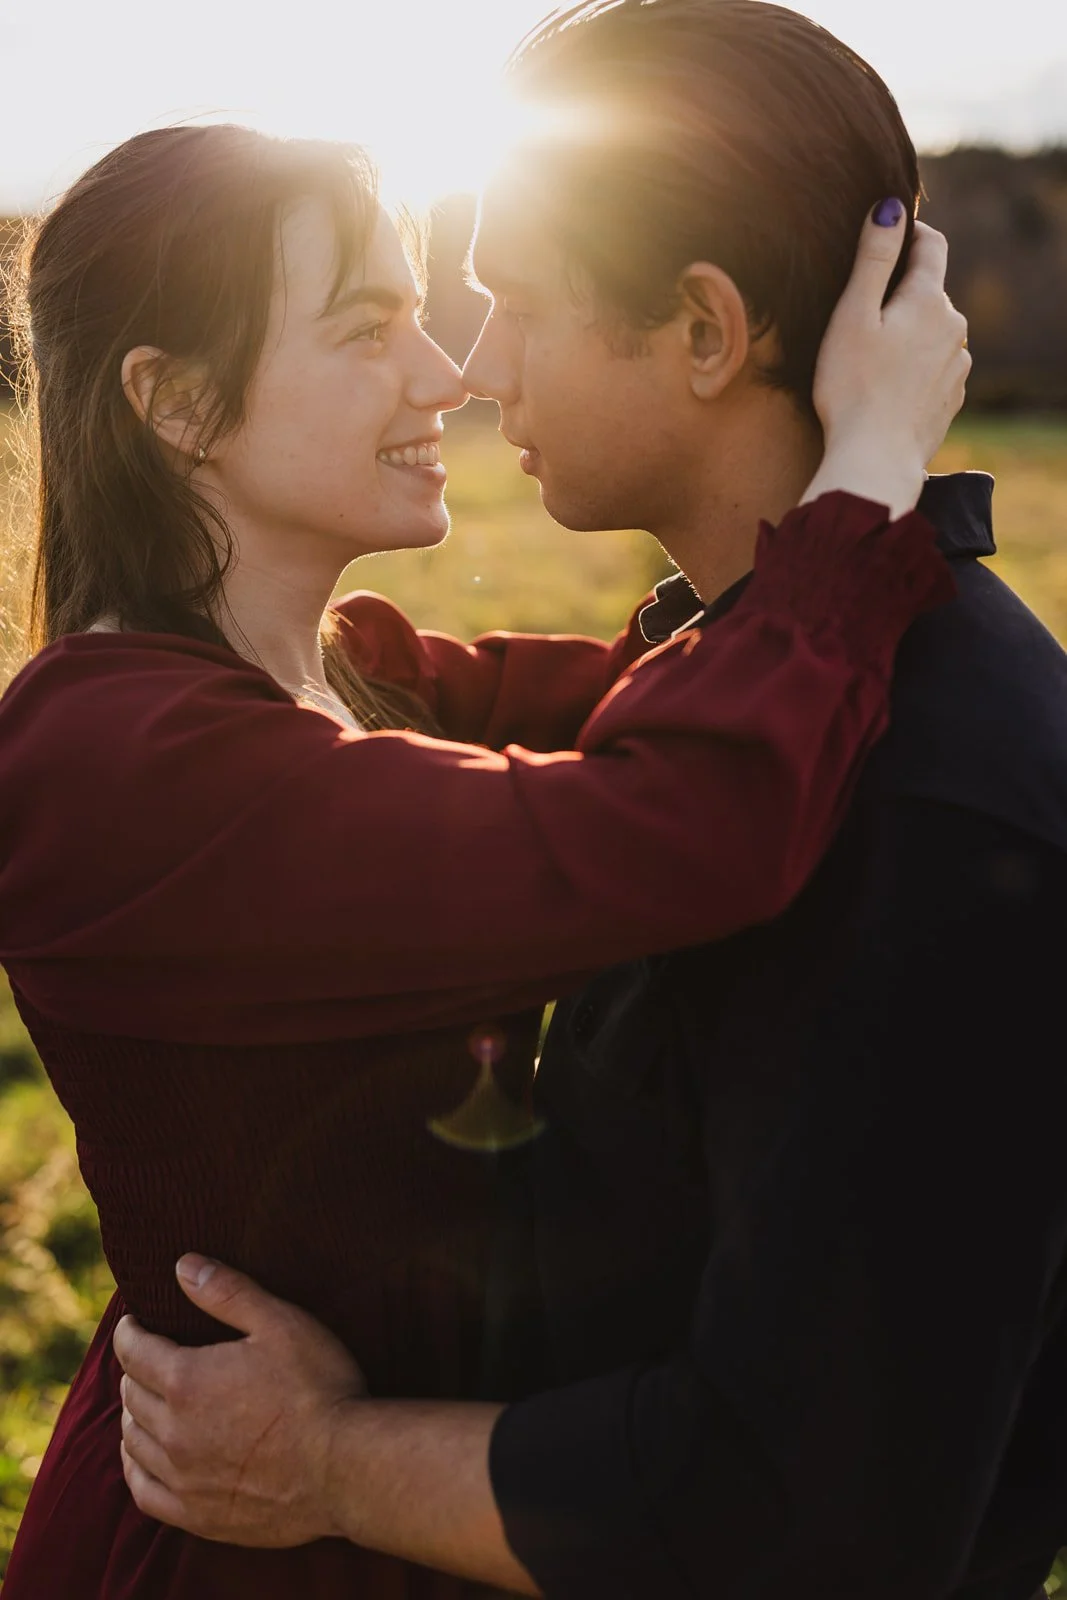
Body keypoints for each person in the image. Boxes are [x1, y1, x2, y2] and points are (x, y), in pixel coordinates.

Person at [112, 4, 1067, 1600]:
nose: (475, 370)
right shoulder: (746, 669)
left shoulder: (928, 806)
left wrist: (327, 1462)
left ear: (704, 330)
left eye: (517, 304)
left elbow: (805, 1520)